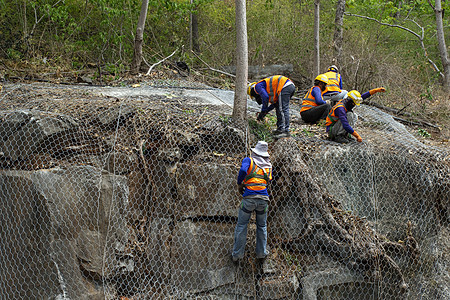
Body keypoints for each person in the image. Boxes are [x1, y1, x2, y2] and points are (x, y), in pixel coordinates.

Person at [232, 141, 273, 263]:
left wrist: (240, 184)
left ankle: (237, 255)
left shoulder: (248, 160)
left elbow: (243, 171)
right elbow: (268, 181)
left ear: (255, 151)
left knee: (242, 225)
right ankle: (261, 253)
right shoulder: (268, 166)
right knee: (262, 225)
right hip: (263, 201)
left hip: (249, 198)